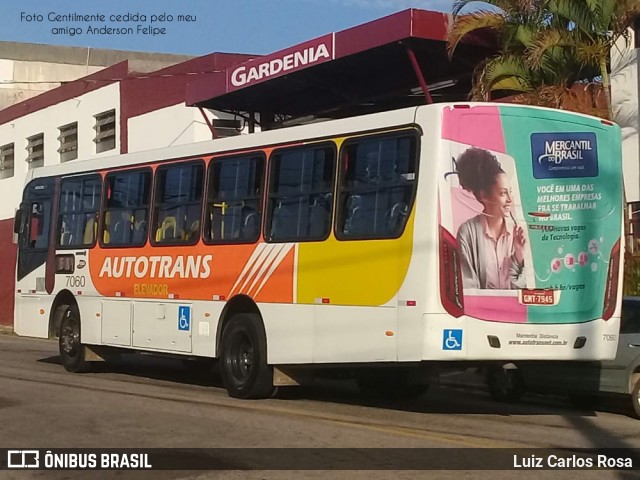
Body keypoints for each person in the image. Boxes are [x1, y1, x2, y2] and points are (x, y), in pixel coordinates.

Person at [454, 148, 526, 289]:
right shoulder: (467, 232)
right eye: (503, 193)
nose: (510, 200)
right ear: (484, 196)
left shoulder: (518, 233)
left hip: (514, 310)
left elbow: (524, 288)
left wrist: (519, 255)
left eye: (510, 192)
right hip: (482, 310)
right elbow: (468, 287)